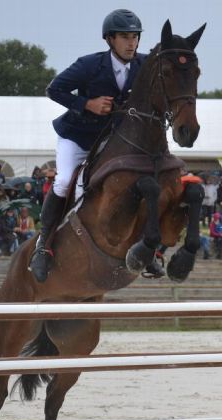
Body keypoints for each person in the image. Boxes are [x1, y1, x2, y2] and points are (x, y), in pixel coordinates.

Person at [29, 8, 145, 282]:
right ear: (110, 40)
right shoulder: (89, 65)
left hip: (110, 141)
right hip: (77, 136)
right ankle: (43, 245)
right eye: (126, 37)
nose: (132, 43)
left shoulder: (143, 65)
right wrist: (87, 104)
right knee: (65, 180)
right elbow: (54, 89)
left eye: (135, 37)